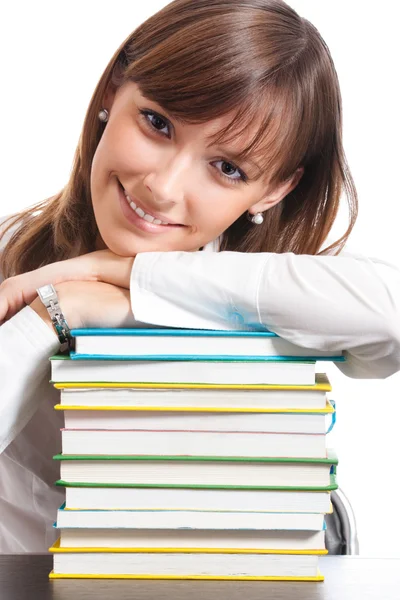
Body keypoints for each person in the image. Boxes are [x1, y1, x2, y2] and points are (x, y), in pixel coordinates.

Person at [0, 0, 399, 553]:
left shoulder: (280, 298)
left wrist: (121, 281)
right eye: (157, 123)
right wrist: (48, 317)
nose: (162, 187)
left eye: (228, 168)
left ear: (275, 189)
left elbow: (391, 317)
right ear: (114, 90)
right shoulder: (10, 257)